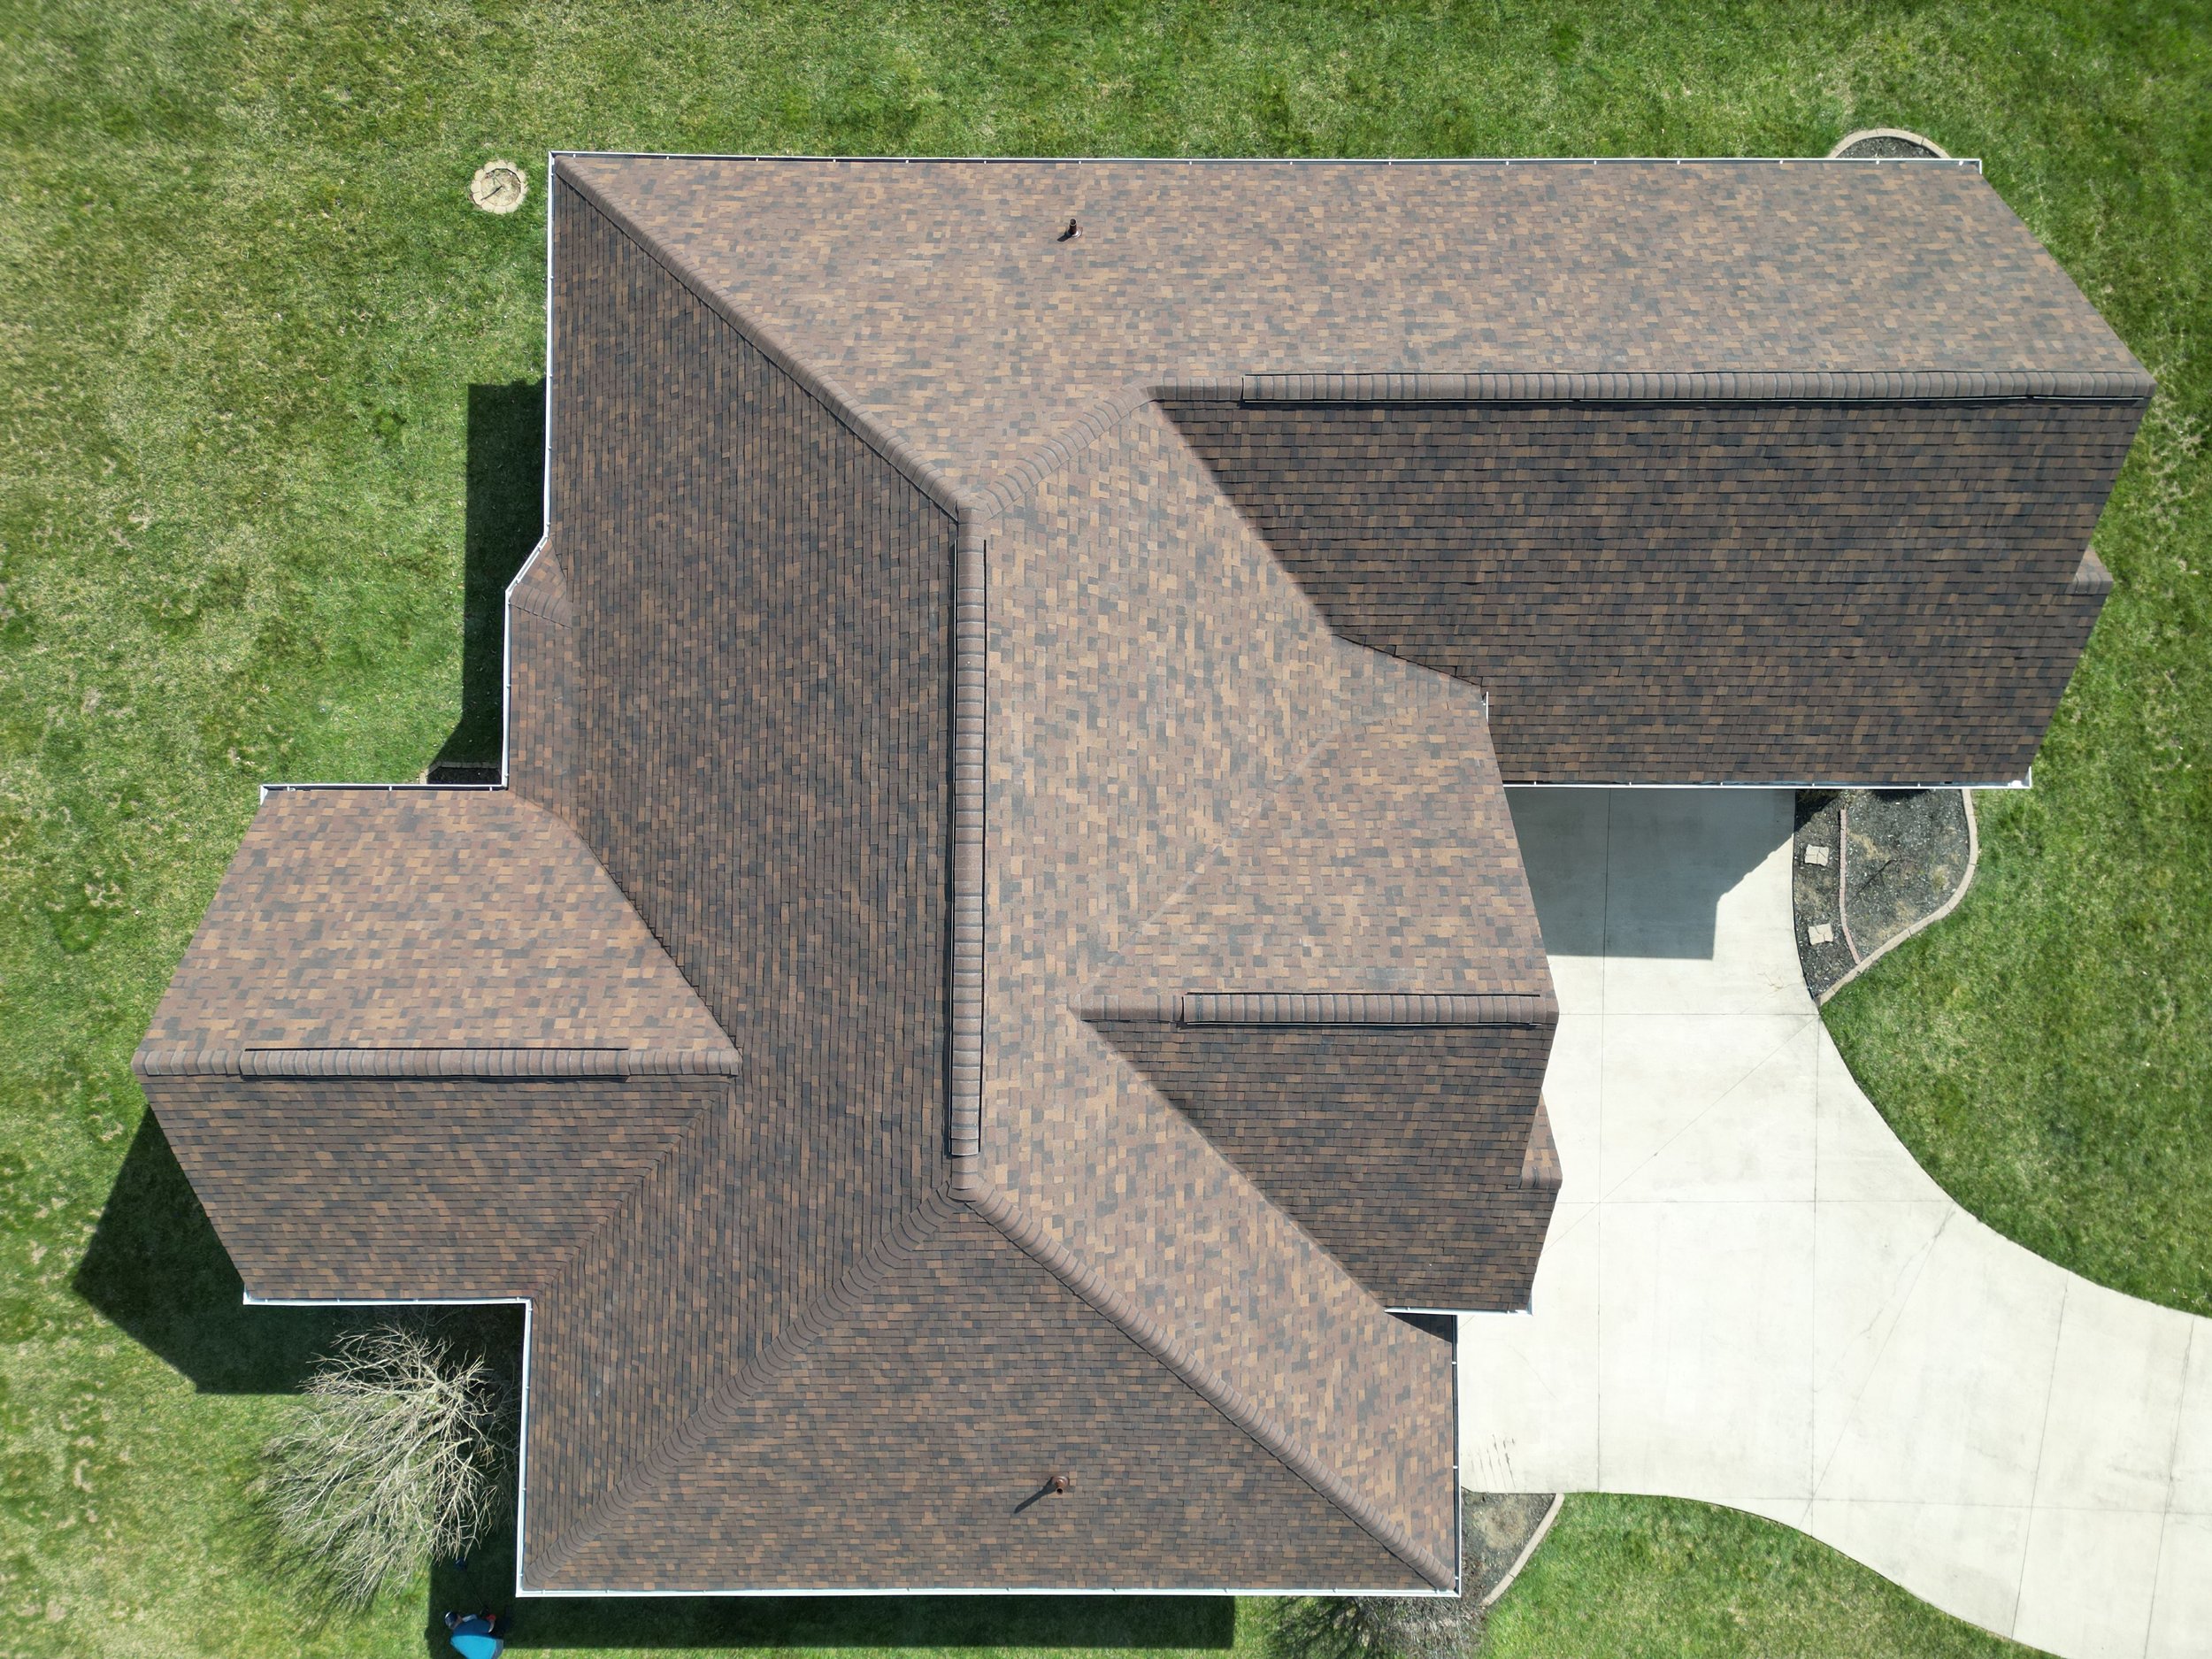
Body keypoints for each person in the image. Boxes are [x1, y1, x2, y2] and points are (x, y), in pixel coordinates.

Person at [442, 1609, 506, 1659]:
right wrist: (492, 1619)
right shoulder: (472, 1624)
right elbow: (490, 1628)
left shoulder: (453, 1641)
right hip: (496, 1650)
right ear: (458, 1617)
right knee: (497, 1627)